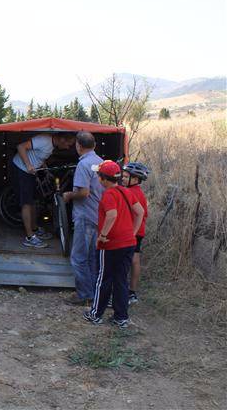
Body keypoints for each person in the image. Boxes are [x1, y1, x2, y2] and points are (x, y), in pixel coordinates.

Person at [83, 160, 144, 329]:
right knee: (120, 280)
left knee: (103, 279)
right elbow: (140, 212)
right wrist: (132, 232)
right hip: (128, 244)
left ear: (103, 179)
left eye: (98, 175)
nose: (97, 177)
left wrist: (102, 236)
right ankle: (121, 317)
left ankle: (95, 314)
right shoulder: (126, 191)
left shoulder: (108, 194)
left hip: (110, 244)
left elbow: (111, 215)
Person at [11, 133, 76, 248]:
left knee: (34, 200)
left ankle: (34, 229)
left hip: (30, 171)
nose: (68, 148)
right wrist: (28, 165)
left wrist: (44, 167)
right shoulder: (43, 140)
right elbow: (20, 147)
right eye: (68, 145)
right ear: (62, 139)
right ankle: (29, 237)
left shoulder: (51, 145)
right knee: (26, 203)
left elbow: (38, 155)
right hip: (21, 169)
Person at [62, 132, 104, 306]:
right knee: (93, 257)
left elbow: (84, 192)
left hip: (85, 215)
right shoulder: (101, 163)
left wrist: (69, 195)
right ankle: (94, 293)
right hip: (98, 215)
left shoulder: (83, 165)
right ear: (94, 145)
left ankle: (83, 294)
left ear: (78, 146)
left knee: (78, 257)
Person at [122, 162, 150, 304]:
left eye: (126, 177)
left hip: (133, 230)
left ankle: (126, 292)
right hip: (139, 230)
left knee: (130, 261)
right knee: (135, 260)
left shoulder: (131, 193)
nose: (123, 178)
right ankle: (132, 292)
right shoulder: (138, 192)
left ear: (135, 179)